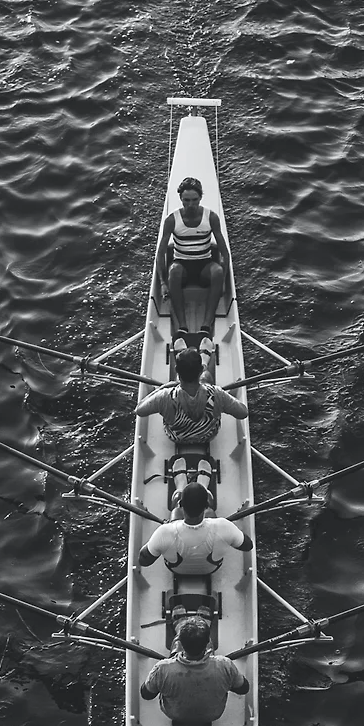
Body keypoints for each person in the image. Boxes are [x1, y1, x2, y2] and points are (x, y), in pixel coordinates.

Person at [135, 346, 248, 483]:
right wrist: (223, 399)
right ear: (200, 370)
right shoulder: (216, 393)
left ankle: (189, 353)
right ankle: (205, 359)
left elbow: (139, 410)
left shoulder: (164, 396)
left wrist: (163, 388)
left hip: (177, 437)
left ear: (177, 371)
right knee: (207, 378)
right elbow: (243, 412)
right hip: (208, 435)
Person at [155, 176, 233, 343]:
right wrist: (162, 283)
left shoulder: (211, 217)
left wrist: (224, 283)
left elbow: (225, 253)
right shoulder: (172, 220)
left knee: (217, 271)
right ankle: (182, 326)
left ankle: (206, 326)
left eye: (194, 200)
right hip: (181, 265)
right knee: (174, 271)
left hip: (204, 265)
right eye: (186, 200)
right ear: (181, 199)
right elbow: (160, 254)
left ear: (200, 198)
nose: (190, 204)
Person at [139, 616, 249, 723]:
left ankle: (178, 625)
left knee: (174, 655)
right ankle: (205, 620)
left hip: (174, 714)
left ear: (181, 643)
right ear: (207, 642)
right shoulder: (225, 665)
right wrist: (225, 681)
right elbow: (243, 688)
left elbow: (147, 694)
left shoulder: (162, 669)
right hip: (213, 715)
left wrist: (160, 679)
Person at [138, 480, 253, 573]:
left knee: (175, 512)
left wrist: (160, 536)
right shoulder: (224, 526)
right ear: (206, 505)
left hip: (176, 570)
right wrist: (231, 533)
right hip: (211, 569)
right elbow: (248, 545)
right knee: (211, 514)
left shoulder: (164, 532)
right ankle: (204, 483)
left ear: (181, 504)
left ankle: (180, 485)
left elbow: (143, 561)